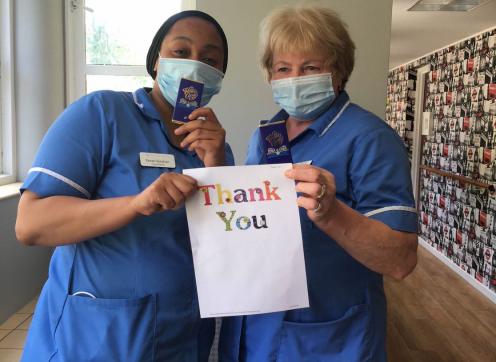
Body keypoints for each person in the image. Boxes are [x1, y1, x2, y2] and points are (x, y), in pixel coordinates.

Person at [15, 10, 233, 362]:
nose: (195, 66)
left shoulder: (217, 149)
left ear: (219, 78)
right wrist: (136, 204)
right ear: (156, 62)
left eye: (210, 60)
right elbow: (30, 224)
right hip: (96, 337)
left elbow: (225, 249)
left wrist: (217, 167)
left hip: (182, 335)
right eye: (181, 52)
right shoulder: (103, 113)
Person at [219, 5, 418, 362]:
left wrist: (331, 213)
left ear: (338, 73)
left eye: (310, 67)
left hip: (325, 336)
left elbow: (400, 260)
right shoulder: (265, 136)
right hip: (256, 327)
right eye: (283, 68)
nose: (294, 79)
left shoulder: (370, 138)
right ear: (270, 76)